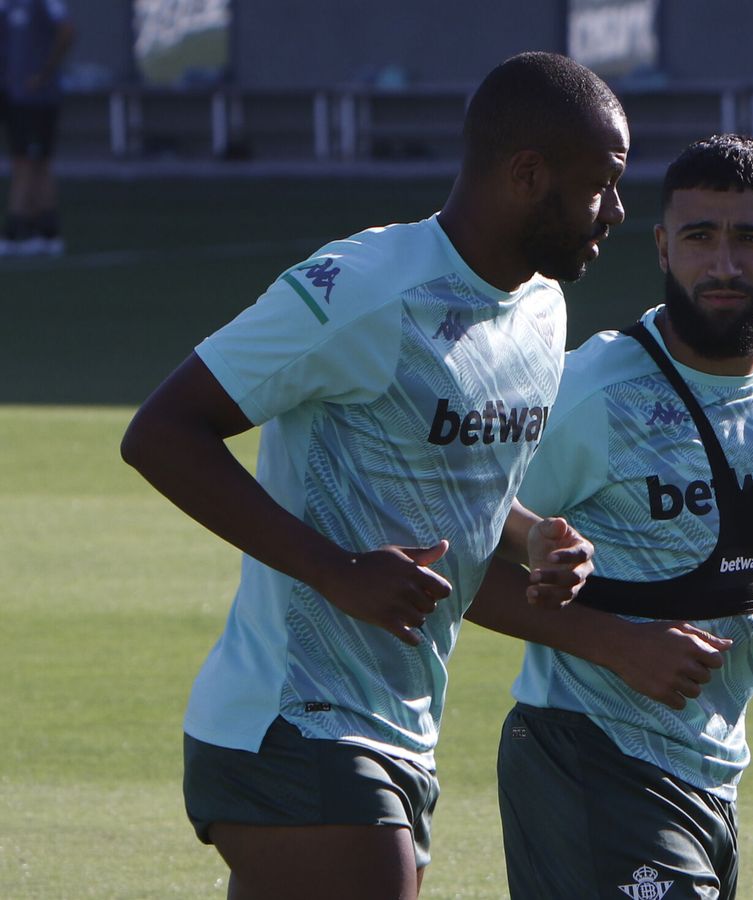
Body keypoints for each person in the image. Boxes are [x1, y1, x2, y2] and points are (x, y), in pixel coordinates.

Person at [120, 51, 626, 900]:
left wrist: (534, 534)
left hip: (400, 730)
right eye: (601, 184)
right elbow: (161, 432)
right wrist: (335, 570)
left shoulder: (543, 308)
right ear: (527, 175)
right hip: (289, 721)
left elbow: (457, 479)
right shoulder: (364, 288)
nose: (614, 210)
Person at [464, 133, 753, 899]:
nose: (725, 265)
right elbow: (452, 550)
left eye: (750, 239)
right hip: (587, 753)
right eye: (700, 238)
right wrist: (615, 644)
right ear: (664, 248)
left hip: (713, 764)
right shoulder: (594, 392)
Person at [0, 0, 74, 256]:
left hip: (38, 98)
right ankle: (43, 230)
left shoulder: (48, 3)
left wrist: (44, 73)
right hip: (13, 96)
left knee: (31, 162)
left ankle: (16, 230)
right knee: (30, 161)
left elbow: (67, 31)